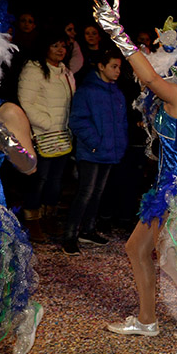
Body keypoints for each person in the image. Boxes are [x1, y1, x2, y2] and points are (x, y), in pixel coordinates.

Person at [93, 0, 177, 341]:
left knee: (168, 258)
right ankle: (147, 319)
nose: (154, 54)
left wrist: (117, 34)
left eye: (162, 50)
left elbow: (150, 79)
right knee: (137, 249)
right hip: (171, 187)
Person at [0, 0, 42, 354]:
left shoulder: (6, 112)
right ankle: (20, 313)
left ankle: (25, 313)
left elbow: (30, 167)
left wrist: (5, 142)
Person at [63, 48, 128, 254]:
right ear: (101, 66)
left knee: (97, 193)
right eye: (113, 66)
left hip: (109, 150)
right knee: (85, 192)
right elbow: (77, 120)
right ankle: (70, 235)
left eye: (119, 67)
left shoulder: (116, 91)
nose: (117, 71)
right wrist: (95, 142)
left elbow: (122, 122)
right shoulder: (88, 90)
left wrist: (120, 142)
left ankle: (88, 230)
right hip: (92, 151)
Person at [17, 28, 76, 241]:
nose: (61, 50)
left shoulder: (65, 71)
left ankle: (49, 217)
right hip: (42, 135)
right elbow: (26, 103)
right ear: (45, 47)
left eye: (63, 45)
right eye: (55, 45)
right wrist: (47, 124)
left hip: (62, 134)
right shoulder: (33, 69)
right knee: (39, 179)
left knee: (56, 180)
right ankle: (32, 220)